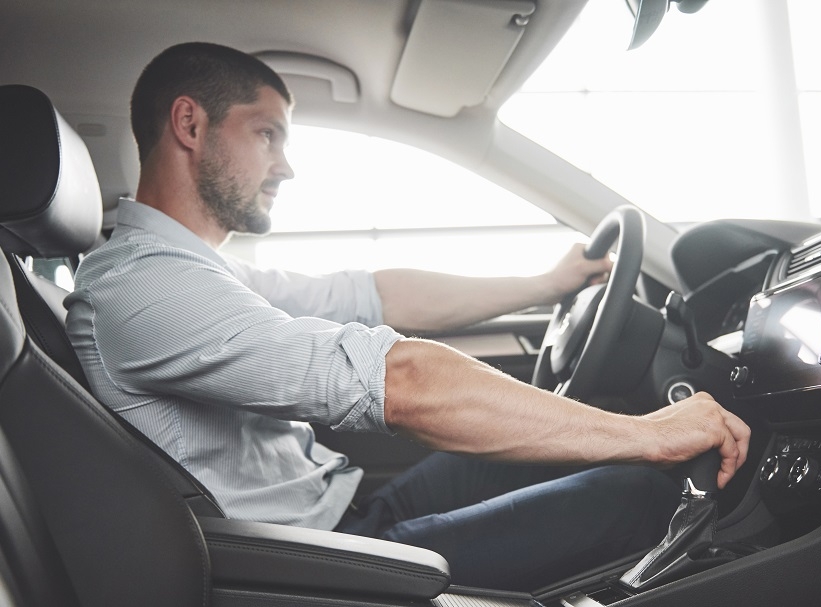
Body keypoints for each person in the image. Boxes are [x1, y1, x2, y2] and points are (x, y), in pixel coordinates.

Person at [66, 42, 750, 591]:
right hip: (320, 565)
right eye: (267, 134)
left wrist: (547, 282)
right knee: (632, 493)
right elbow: (407, 382)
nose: (286, 167)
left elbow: (379, 296)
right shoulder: (144, 287)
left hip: (344, 514)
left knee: (586, 459)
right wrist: (643, 432)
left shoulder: (194, 270)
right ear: (190, 124)